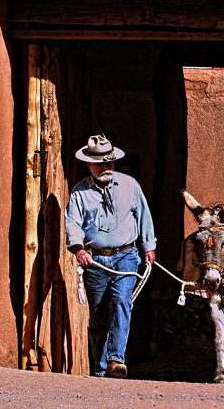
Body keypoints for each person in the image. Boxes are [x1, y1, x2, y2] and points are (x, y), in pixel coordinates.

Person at [65, 135, 156, 379]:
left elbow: (144, 217)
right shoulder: (79, 193)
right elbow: (72, 223)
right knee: (98, 317)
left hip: (126, 256)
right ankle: (100, 367)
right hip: (95, 261)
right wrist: (78, 249)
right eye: (100, 164)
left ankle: (116, 359)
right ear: (89, 165)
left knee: (121, 302)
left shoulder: (130, 186)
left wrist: (148, 246)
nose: (106, 168)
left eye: (110, 163)